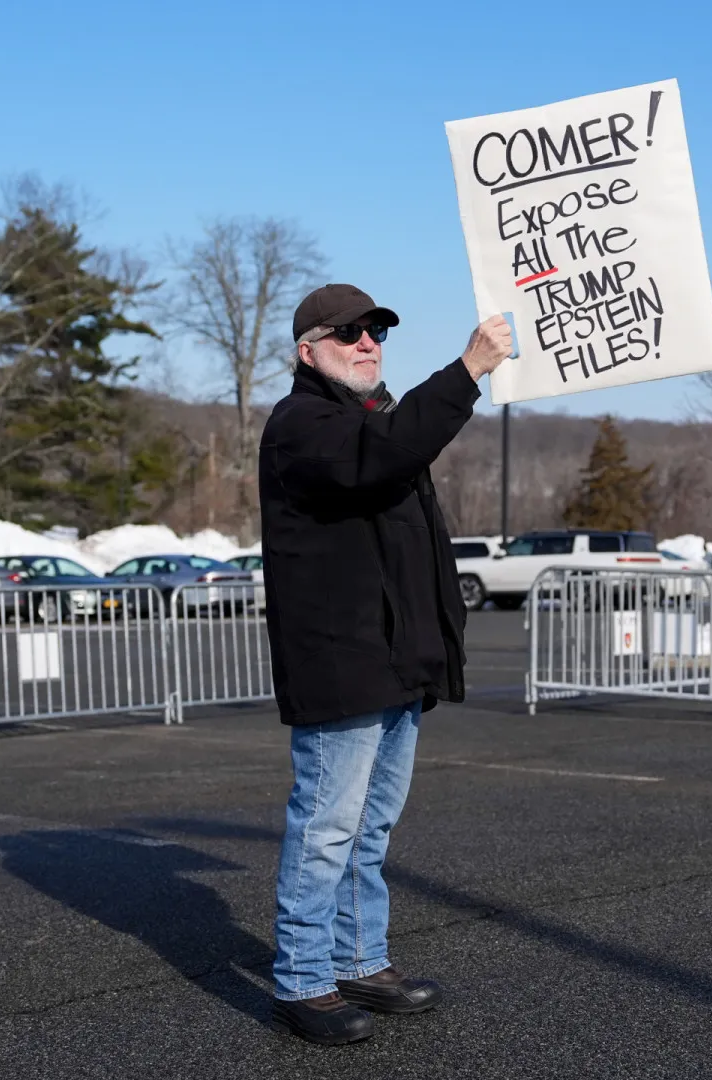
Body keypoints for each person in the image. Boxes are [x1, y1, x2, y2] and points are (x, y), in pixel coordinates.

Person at [258, 283, 512, 1045]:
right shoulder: (303, 424)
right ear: (309, 352)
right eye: (349, 333)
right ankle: (304, 978)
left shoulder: (367, 420)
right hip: (343, 664)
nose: (368, 342)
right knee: (327, 828)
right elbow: (384, 456)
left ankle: (360, 960)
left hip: (396, 662)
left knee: (370, 828)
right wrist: (468, 369)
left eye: (376, 331)